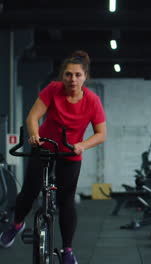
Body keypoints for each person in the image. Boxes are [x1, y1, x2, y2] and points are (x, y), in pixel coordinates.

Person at [0, 50, 107, 264]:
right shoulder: (53, 90)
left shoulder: (93, 101)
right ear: (62, 76)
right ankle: (17, 225)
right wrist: (34, 135)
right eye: (68, 74)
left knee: (66, 201)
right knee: (29, 191)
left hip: (70, 152)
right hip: (45, 147)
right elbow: (33, 116)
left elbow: (101, 134)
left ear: (85, 76)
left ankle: (67, 250)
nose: (72, 79)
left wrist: (82, 145)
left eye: (77, 75)